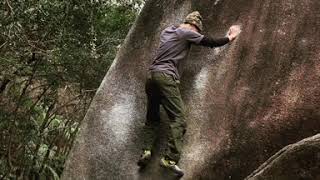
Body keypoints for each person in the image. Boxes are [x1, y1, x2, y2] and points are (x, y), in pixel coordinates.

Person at [137, 11, 240, 177]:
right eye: (196, 31)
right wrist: (230, 37)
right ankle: (170, 159)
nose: (196, 35)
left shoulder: (168, 31)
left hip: (151, 78)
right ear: (195, 27)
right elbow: (209, 42)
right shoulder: (186, 32)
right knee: (179, 118)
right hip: (165, 77)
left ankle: (146, 151)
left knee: (152, 118)